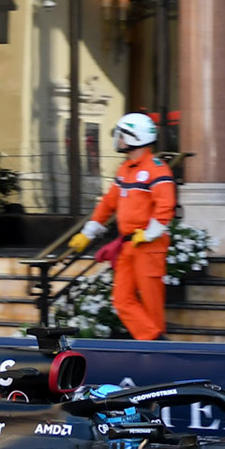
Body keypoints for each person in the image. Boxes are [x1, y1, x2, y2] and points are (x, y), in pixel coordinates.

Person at [69, 113, 174, 341]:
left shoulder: (158, 169)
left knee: (151, 301)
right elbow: (108, 204)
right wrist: (87, 234)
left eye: (121, 135)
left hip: (149, 246)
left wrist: (148, 234)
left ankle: (156, 351)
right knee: (121, 299)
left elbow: (165, 208)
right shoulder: (125, 170)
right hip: (128, 245)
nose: (118, 140)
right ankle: (153, 341)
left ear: (134, 137)